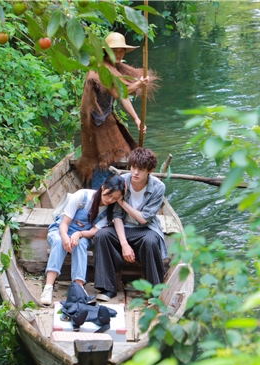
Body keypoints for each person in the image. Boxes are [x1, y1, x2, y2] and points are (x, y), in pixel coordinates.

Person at [75, 32, 159, 186]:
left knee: (118, 152)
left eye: (121, 51)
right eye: (115, 51)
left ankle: (110, 186)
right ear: (106, 51)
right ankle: (99, 194)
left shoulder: (114, 67)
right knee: (103, 158)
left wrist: (136, 119)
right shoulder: (101, 69)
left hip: (106, 116)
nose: (119, 54)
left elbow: (123, 97)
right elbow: (119, 93)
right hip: (96, 122)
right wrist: (139, 84)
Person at [93, 148, 168, 301]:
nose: (135, 173)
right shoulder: (122, 181)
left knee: (150, 241)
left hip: (146, 229)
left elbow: (143, 219)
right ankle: (107, 288)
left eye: (140, 170)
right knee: (102, 235)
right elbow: (117, 216)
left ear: (150, 170)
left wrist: (122, 202)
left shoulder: (158, 187)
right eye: (133, 167)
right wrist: (124, 244)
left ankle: (155, 292)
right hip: (123, 228)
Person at [40, 174, 126, 306]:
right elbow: (64, 224)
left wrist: (79, 234)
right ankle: (48, 287)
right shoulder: (81, 196)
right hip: (60, 230)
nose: (110, 200)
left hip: (84, 235)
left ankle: (78, 288)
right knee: (58, 242)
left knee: (80, 245)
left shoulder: (109, 212)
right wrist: (65, 238)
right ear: (103, 187)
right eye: (109, 195)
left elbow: (93, 231)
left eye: (115, 199)